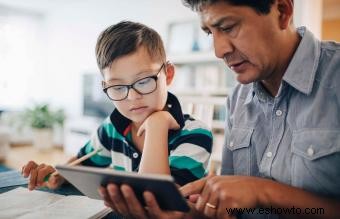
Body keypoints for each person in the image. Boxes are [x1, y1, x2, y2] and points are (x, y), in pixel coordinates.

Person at [21, 21, 213, 217]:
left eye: (145, 81)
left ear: (168, 74)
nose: (132, 97)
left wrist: (157, 125)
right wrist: (57, 175)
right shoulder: (112, 128)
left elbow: (157, 202)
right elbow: (82, 163)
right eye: (118, 87)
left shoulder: (196, 135)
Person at [178, 0, 340, 218]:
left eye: (228, 27)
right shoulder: (237, 98)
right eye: (210, 33)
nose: (219, 50)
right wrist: (192, 213)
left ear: (282, 12)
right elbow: (233, 209)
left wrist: (263, 192)